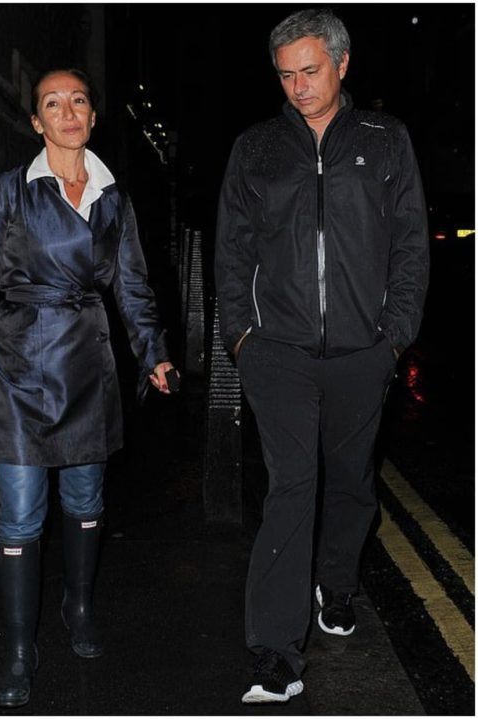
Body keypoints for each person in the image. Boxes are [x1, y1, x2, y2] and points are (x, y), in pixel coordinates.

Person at [0, 68, 176, 708]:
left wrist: (153, 354)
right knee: (19, 514)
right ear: (37, 123)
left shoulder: (112, 198)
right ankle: (19, 648)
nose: (67, 112)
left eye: (78, 101)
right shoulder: (10, 191)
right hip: (18, 366)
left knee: (86, 498)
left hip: (89, 366)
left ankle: (79, 603)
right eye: (52, 104)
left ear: (92, 117)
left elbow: (131, 285)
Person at [214, 8, 429, 704]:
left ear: (341, 63)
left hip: (364, 349)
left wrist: (394, 335)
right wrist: (241, 337)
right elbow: (232, 251)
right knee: (291, 486)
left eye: (309, 70)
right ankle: (275, 651)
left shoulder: (384, 141)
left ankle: (336, 583)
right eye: (285, 74)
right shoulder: (255, 148)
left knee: (350, 482)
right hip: (276, 350)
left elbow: (410, 247)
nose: (298, 85)